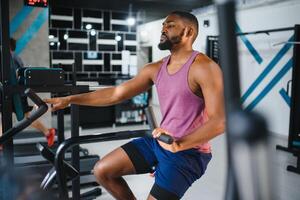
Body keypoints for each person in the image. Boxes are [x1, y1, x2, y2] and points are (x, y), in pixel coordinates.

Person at [45, 11, 225, 200]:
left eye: (170, 25)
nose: (163, 29)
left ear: (188, 32)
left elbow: (220, 121)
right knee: (102, 170)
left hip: (188, 153)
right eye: (163, 24)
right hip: (160, 143)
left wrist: (180, 144)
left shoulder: (204, 67)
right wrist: (70, 100)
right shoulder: (155, 68)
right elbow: (117, 93)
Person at [8, 38, 56, 147]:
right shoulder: (11, 57)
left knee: (26, 118)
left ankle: (48, 132)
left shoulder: (12, 57)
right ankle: (2, 140)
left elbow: (16, 76)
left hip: (16, 94)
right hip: (11, 93)